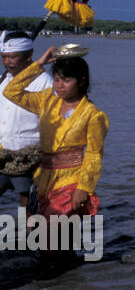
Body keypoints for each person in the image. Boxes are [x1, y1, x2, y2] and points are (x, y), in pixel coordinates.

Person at [3, 46, 107, 259]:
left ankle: (59, 280)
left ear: (82, 81)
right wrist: (39, 64)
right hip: (44, 178)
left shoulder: (93, 115)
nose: (59, 86)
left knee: (55, 237)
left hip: (72, 179)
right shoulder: (46, 101)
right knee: (52, 240)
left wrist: (84, 188)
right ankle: (63, 283)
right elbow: (11, 91)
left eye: (66, 80)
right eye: (56, 79)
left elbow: (94, 154)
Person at [0, 31, 50, 209]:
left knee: (29, 207)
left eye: (13, 57)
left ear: (29, 56)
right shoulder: (4, 79)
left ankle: (33, 235)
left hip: (28, 156)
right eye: (4, 57)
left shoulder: (45, 82)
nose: (7, 62)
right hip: (2, 152)